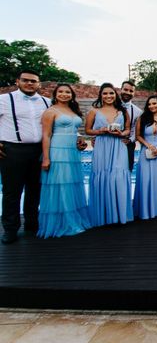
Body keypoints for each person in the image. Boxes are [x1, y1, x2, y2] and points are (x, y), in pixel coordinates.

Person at [0, 70, 50, 244]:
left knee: (35, 189)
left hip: (38, 150)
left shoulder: (46, 102)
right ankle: (10, 229)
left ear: (38, 83)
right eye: (26, 80)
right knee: (11, 192)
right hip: (12, 150)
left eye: (33, 81)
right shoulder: (4, 100)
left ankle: (31, 223)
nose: (29, 84)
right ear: (18, 81)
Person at [38, 84, 91, 238]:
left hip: (72, 153)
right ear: (55, 94)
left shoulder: (73, 110)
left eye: (67, 92)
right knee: (60, 185)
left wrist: (80, 143)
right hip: (57, 151)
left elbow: (74, 133)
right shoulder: (50, 111)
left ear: (72, 95)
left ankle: (73, 219)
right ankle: (62, 222)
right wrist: (46, 158)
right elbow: (46, 135)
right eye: (60, 91)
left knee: (71, 184)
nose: (64, 94)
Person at [85, 83, 133, 227]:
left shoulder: (123, 111)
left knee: (118, 176)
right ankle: (104, 214)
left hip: (118, 146)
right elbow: (88, 130)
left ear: (115, 94)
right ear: (101, 95)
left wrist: (121, 133)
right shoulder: (94, 111)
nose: (108, 96)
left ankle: (120, 214)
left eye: (111, 93)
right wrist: (101, 131)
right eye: (105, 94)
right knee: (102, 176)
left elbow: (128, 130)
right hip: (102, 146)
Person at [120, 80, 142, 171]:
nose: (128, 93)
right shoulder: (111, 107)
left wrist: (130, 140)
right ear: (121, 90)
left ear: (134, 93)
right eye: (125, 89)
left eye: (131, 91)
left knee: (127, 169)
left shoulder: (138, 111)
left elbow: (137, 129)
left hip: (128, 145)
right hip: (111, 142)